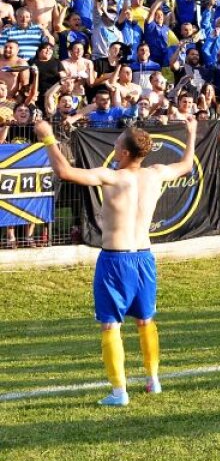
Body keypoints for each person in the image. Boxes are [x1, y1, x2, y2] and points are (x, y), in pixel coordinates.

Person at [35, 116, 197, 407]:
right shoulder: (155, 173)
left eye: (117, 143)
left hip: (115, 260)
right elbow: (186, 165)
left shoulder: (112, 176)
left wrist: (47, 137)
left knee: (110, 325)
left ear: (123, 153)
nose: (113, 146)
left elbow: (64, 171)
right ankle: (153, 379)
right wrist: (192, 132)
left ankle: (119, 392)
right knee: (145, 321)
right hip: (144, 258)